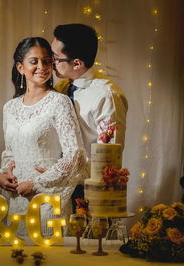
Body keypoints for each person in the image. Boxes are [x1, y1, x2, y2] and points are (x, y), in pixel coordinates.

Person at [0, 37, 86, 237]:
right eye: (34, 61)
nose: (42, 67)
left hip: (47, 199)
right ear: (20, 67)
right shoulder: (9, 108)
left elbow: (75, 155)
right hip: (17, 202)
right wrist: (1, 175)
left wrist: (37, 183)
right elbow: (10, 153)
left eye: (46, 61)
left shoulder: (59, 102)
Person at [50, 23, 129, 211]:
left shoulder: (106, 96)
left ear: (77, 63)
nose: (50, 62)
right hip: (57, 187)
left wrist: (74, 178)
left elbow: (109, 155)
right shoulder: (61, 89)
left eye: (55, 58)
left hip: (89, 190)